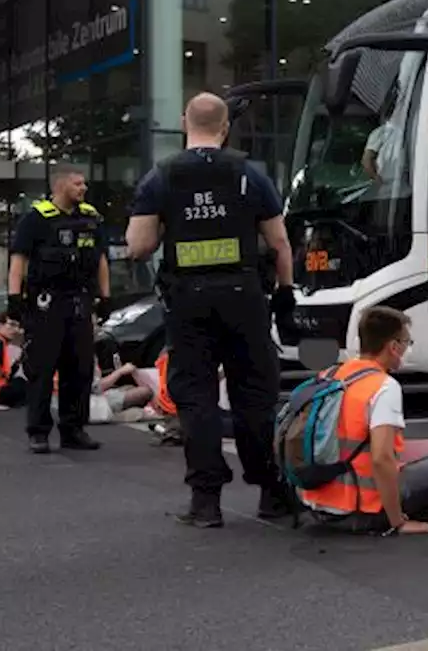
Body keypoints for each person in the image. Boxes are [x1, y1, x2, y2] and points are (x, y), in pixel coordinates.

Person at [125, 92, 298, 528]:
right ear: (225, 128)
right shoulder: (249, 175)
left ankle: (206, 502)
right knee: (254, 396)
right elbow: (279, 244)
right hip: (244, 298)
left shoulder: (160, 177)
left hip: (188, 301)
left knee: (196, 397)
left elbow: (139, 246)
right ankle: (270, 493)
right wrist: (286, 293)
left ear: (186, 122)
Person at [301, 306, 428, 536]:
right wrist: (398, 523)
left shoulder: (330, 376)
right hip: (360, 508)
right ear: (394, 347)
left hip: (318, 504)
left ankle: (427, 506)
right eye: (407, 342)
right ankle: (402, 513)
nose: (408, 349)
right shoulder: (383, 387)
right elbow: (381, 459)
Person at [8, 166, 110, 454]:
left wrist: (106, 296)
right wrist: (15, 298)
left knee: (79, 368)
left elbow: (100, 259)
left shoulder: (90, 218)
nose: (83, 188)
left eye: (84, 183)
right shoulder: (37, 219)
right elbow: (19, 260)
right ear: (61, 185)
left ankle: (73, 429)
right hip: (47, 303)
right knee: (42, 367)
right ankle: (38, 431)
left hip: (80, 301)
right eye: (78, 183)